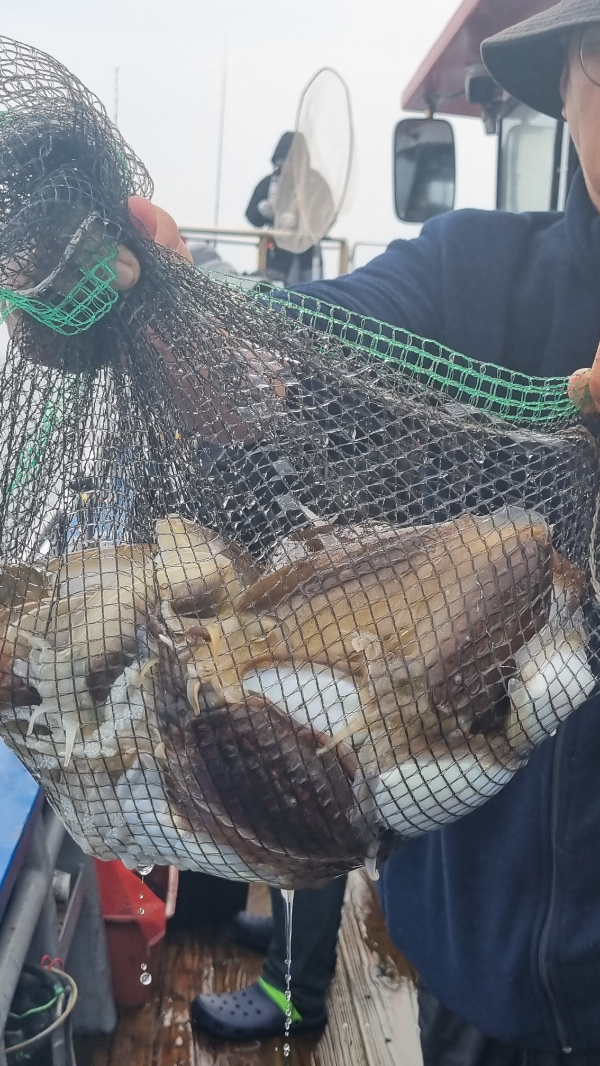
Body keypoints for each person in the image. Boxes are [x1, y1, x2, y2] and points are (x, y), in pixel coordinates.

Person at [112, 1, 600, 1058]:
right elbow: (291, 351)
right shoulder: (472, 275)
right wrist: (176, 316)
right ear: (566, 85)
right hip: (473, 977)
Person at [245, 131, 330, 286]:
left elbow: (327, 216)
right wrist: (262, 211)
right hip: (275, 257)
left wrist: (299, 221)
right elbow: (251, 215)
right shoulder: (268, 183)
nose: (286, 165)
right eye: (281, 160)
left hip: (307, 258)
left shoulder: (315, 183)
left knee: (307, 292)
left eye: (290, 160)